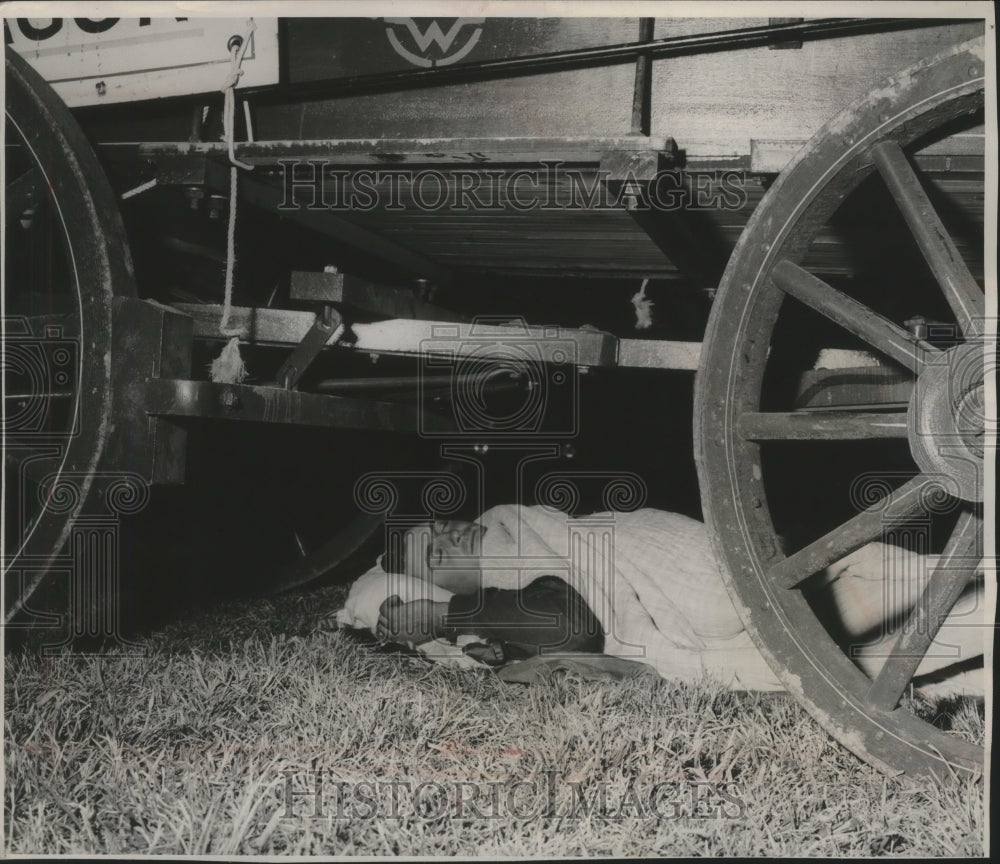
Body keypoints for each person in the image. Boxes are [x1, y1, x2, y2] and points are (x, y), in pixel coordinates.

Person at [373, 505, 985, 694]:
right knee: (931, 644)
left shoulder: (523, 534)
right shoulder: (498, 588)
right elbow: (566, 627)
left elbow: (569, 621)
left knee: (920, 594)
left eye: (441, 527)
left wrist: (442, 616)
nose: (451, 535)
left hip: (728, 583)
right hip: (758, 612)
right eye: (435, 556)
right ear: (441, 582)